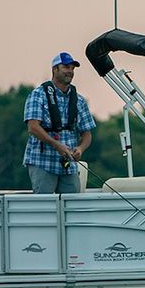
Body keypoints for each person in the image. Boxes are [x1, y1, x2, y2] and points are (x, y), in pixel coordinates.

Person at [24, 51, 96, 193]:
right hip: (42, 162)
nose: (70, 71)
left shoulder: (79, 100)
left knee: (73, 204)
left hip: (69, 166)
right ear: (54, 69)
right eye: (66, 67)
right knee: (44, 205)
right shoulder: (38, 95)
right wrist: (56, 145)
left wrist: (80, 149)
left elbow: (87, 134)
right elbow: (33, 127)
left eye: (72, 68)